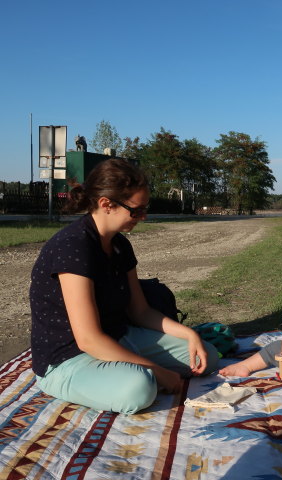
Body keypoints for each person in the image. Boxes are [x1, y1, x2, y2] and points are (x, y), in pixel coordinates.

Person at [29, 158, 218, 414]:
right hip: (69, 356)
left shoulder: (120, 245)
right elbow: (88, 340)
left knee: (206, 356)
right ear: (107, 204)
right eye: (137, 210)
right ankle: (71, 382)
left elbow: (140, 311)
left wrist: (189, 334)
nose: (144, 216)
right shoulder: (73, 248)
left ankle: (132, 368)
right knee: (140, 388)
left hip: (118, 337)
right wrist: (156, 370)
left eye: (145, 208)